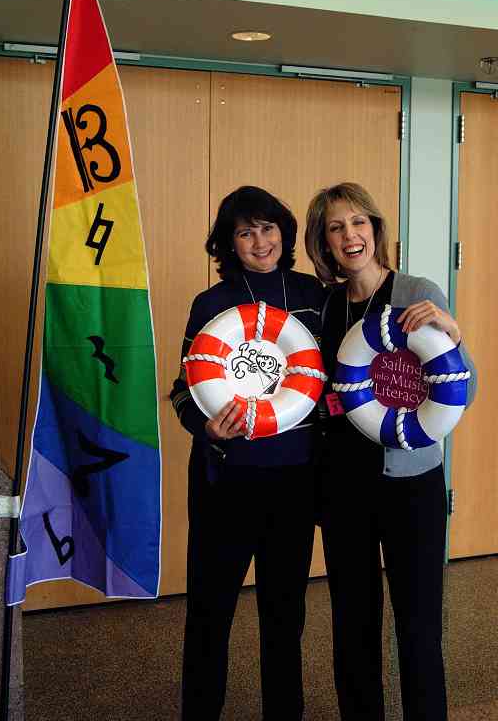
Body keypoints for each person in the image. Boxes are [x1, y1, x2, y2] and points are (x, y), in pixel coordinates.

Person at [304, 182, 477, 721]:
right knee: (353, 625)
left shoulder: (417, 292)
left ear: (376, 230)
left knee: (420, 627)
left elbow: (460, 388)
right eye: (336, 227)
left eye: (358, 222)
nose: (349, 235)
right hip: (343, 489)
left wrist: (451, 329)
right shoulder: (327, 309)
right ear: (324, 243)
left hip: (411, 484)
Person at [170, 185, 325, 721]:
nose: (260, 240)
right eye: (245, 231)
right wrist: (207, 429)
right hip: (226, 485)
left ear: (284, 233)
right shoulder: (210, 305)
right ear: (228, 244)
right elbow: (181, 392)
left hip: (294, 483)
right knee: (209, 615)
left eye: (268, 228)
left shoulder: (314, 295)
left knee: (286, 616)